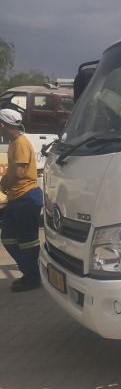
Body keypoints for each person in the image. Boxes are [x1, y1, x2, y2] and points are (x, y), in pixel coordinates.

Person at [0, 109, 43, 291]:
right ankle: (30, 272)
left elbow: (18, 172)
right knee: (8, 237)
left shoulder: (20, 144)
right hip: (18, 198)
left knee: (28, 240)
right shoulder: (14, 143)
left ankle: (33, 277)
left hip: (26, 198)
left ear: (2, 125)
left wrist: (5, 183)